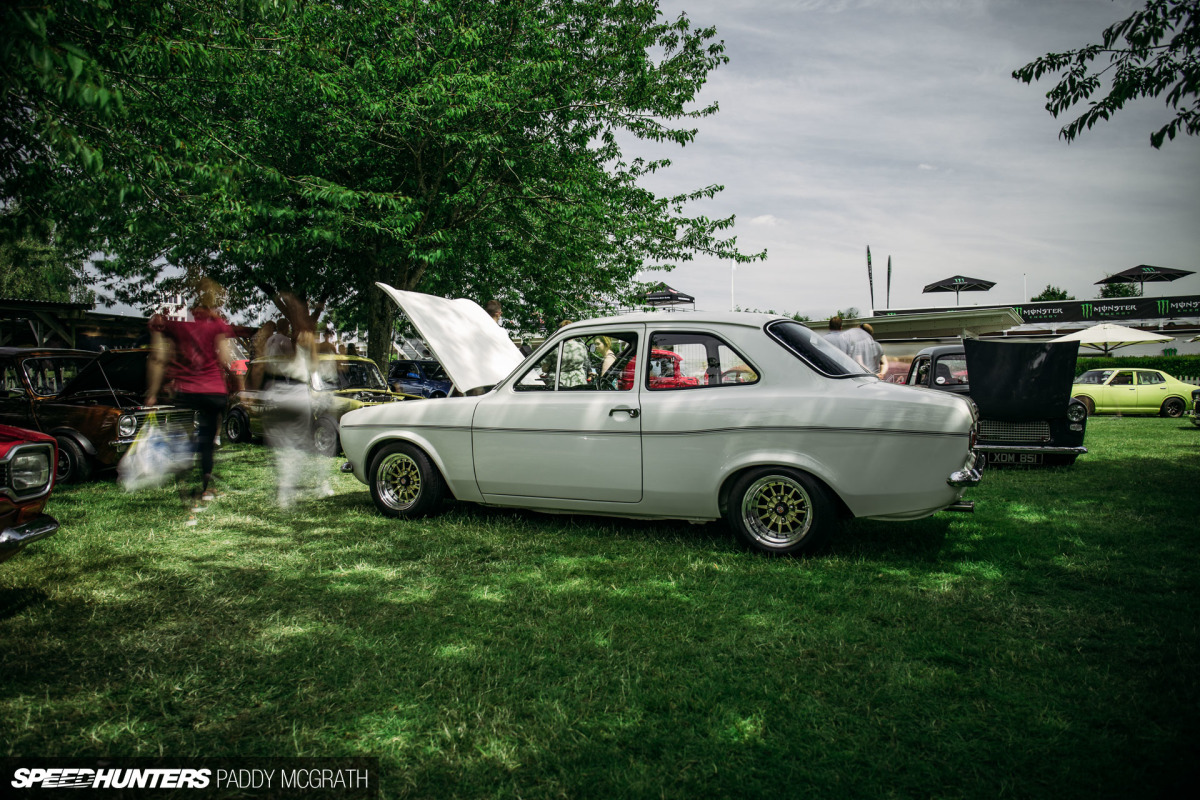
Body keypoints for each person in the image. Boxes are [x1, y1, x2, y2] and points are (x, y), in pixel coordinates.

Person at [146, 278, 235, 508]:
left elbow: (159, 357)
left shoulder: (177, 326)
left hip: (186, 390)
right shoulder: (217, 325)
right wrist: (239, 383)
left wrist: (153, 393)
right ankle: (205, 489)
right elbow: (227, 359)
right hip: (214, 391)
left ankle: (186, 491)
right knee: (207, 438)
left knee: (183, 438)